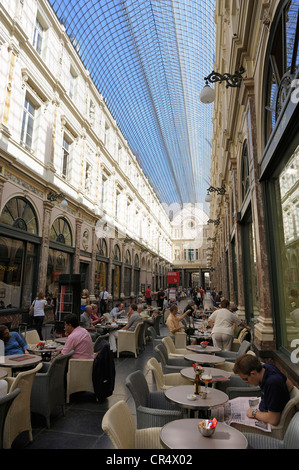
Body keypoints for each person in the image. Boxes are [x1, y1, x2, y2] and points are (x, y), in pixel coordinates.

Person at [233, 354, 291, 426]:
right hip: (264, 410)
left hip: (271, 423)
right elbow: (290, 386)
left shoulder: (272, 383)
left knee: (235, 425)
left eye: (245, 379)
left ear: (253, 373)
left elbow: (273, 420)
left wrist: (254, 413)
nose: (247, 382)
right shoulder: (268, 367)